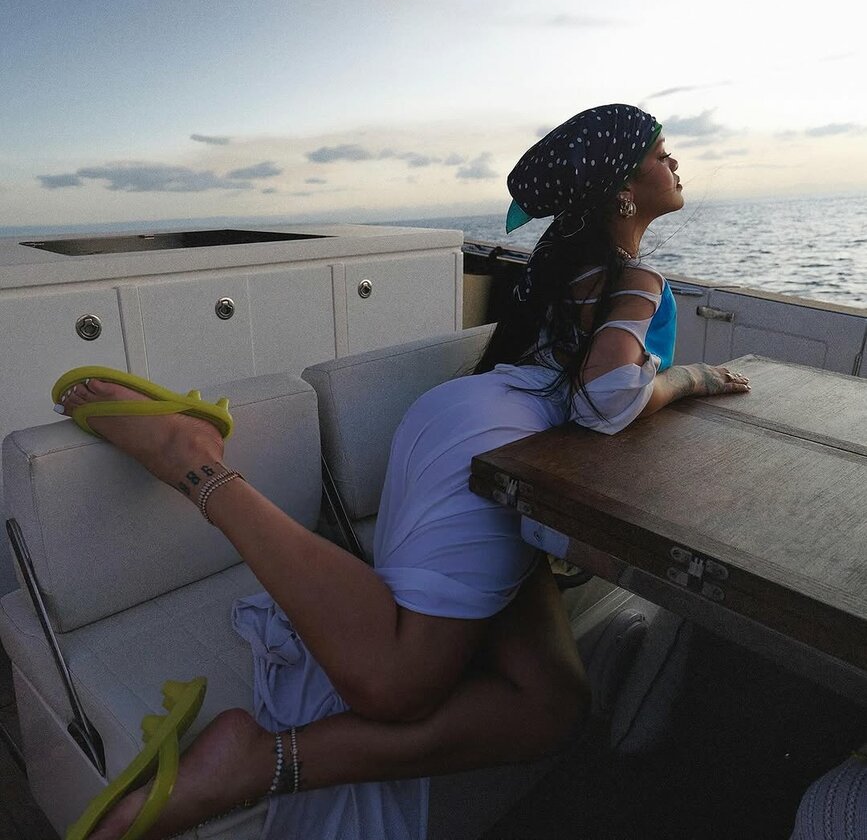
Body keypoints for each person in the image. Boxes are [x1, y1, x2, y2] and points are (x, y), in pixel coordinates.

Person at [57, 103, 750, 840]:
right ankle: (195, 463)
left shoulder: (566, 268)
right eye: (660, 152)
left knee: (551, 707)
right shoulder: (635, 275)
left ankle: (259, 756)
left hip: (465, 426)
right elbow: (603, 397)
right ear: (622, 186)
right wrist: (693, 378)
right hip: (493, 449)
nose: (674, 163)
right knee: (395, 685)